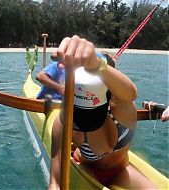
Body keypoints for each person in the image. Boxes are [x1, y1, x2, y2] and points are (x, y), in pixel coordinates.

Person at [49, 35, 157, 189]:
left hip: (120, 171)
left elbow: (131, 92)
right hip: (84, 169)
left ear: (110, 97)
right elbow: (55, 181)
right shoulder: (65, 118)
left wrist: (97, 63)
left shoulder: (124, 110)